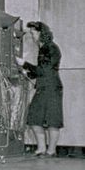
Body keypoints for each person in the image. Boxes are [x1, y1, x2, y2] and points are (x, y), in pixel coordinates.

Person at [15, 21, 63, 158]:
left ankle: (51, 151)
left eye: (34, 33)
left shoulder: (50, 48)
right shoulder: (44, 48)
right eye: (31, 33)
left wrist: (25, 64)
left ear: (42, 33)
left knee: (52, 120)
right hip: (44, 87)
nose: (32, 36)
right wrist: (28, 72)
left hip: (52, 88)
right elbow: (41, 71)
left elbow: (45, 70)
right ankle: (42, 148)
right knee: (34, 118)